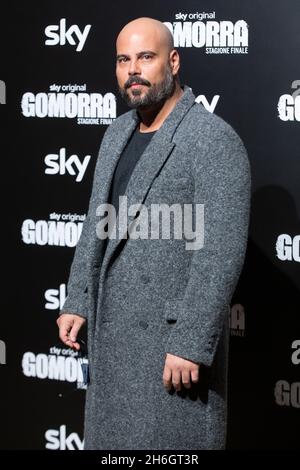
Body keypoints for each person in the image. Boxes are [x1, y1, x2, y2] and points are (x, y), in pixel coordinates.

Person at [57, 17, 251, 450]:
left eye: (146, 57)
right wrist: (78, 298)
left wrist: (191, 341)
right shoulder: (117, 133)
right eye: (124, 60)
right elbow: (97, 223)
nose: (134, 70)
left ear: (174, 62)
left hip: (170, 351)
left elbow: (219, 252)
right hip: (114, 343)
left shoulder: (212, 140)